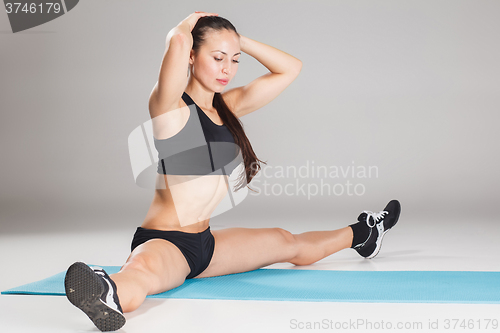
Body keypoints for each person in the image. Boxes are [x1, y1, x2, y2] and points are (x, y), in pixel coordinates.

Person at [64, 12, 401, 332]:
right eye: (217, 57)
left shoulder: (227, 107)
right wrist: (188, 23)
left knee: (287, 241)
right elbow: (178, 43)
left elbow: (290, 69)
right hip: (165, 241)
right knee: (143, 272)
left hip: (206, 245)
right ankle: (108, 291)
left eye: (235, 60)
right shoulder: (171, 107)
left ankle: (365, 234)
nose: (227, 68)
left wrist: (237, 41)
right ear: (193, 57)